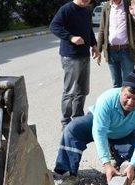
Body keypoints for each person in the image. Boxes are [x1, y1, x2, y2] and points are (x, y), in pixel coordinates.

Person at [54, 68, 135, 185]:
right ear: (121, 90)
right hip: (97, 123)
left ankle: (118, 157)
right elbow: (99, 131)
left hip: (123, 133)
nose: (130, 102)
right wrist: (106, 163)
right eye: (127, 96)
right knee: (73, 129)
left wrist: (133, 165)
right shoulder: (106, 99)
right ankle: (70, 174)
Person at [50, 0, 101, 128]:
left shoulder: (86, 11)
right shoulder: (66, 9)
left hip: (84, 55)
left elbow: (89, 30)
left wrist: (94, 46)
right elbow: (54, 26)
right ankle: (66, 122)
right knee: (70, 91)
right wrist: (71, 37)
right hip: (70, 56)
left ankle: (78, 118)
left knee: (82, 89)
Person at [96, 0, 135, 88]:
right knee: (116, 85)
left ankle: (126, 102)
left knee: (128, 85)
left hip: (127, 51)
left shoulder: (129, 5)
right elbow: (102, 30)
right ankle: (117, 102)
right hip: (111, 51)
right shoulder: (107, 7)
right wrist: (98, 50)